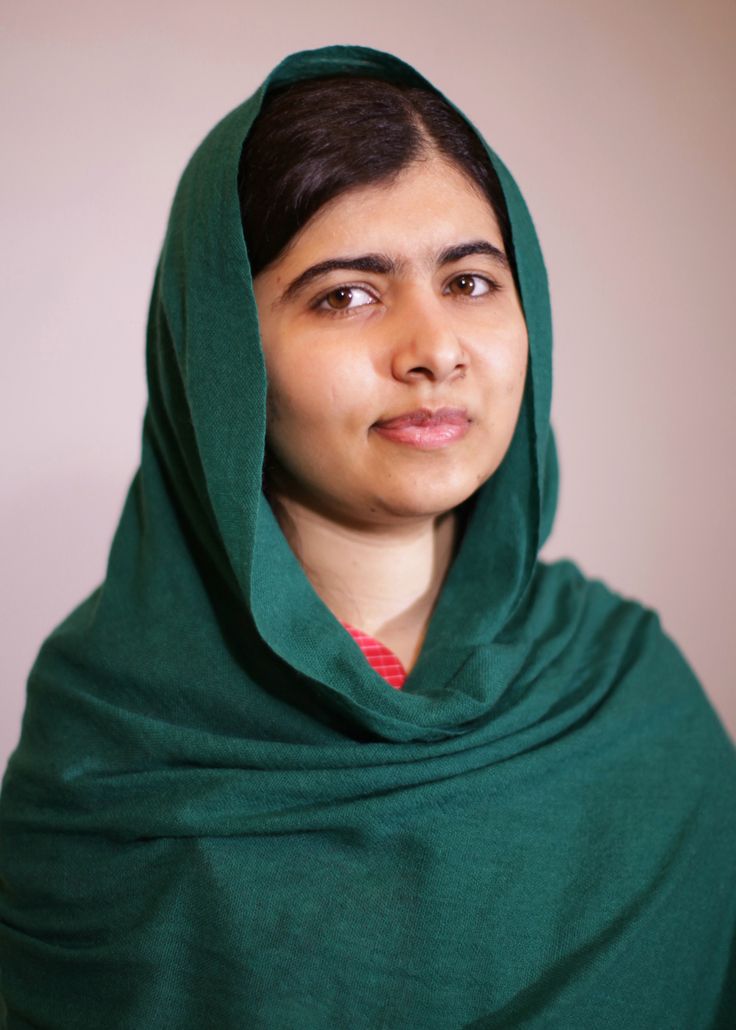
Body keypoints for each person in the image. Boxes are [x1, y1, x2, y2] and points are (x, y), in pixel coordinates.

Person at [0, 44, 734, 1029]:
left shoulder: (626, 696)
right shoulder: (114, 738)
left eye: (472, 282)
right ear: (220, 349)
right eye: (346, 293)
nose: (433, 349)